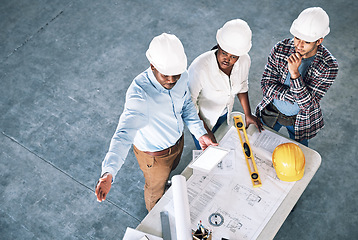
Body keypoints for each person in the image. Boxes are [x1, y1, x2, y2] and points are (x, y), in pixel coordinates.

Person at [95, 33, 217, 211]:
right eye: (166, 75)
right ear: (152, 65)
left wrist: (200, 133)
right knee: (155, 190)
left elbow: (186, 104)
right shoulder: (139, 95)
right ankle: (154, 213)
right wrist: (109, 172)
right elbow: (123, 135)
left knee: (171, 170)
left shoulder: (182, 75)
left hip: (177, 143)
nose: (172, 80)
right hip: (155, 158)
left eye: (175, 74)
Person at [255, 7, 338, 146]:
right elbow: (266, 85)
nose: (298, 45)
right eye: (297, 38)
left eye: (306, 42)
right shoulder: (281, 48)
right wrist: (292, 97)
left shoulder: (329, 66)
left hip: (300, 120)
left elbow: (307, 105)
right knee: (257, 144)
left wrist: (295, 74)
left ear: (319, 41)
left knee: (298, 155)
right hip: (272, 110)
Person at [188, 19, 263, 149]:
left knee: (221, 144)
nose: (227, 59)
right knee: (205, 152)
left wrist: (248, 114)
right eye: (224, 53)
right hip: (201, 120)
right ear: (218, 45)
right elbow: (189, 105)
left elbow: (242, 84)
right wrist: (205, 131)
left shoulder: (245, 60)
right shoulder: (199, 67)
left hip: (224, 114)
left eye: (233, 56)